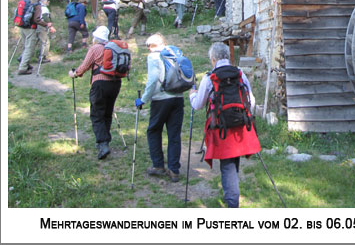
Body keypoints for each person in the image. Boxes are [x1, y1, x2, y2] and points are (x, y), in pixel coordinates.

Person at [189, 42, 261, 208]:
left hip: (221, 128)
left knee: (227, 166)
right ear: (228, 57)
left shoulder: (209, 77)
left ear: (213, 59)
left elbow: (198, 104)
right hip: (241, 125)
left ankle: (232, 204)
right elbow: (252, 101)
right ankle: (232, 194)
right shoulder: (240, 74)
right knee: (232, 161)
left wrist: (192, 95)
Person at [134, 33, 184, 182]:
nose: (148, 49)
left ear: (152, 46)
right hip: (178, 97)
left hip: (161, 99)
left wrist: (143, 99)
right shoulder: (175, 53)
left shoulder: (154, 57)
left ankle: (158, 165)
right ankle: (174, 170)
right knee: (174, 134)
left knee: (154, 130)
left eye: (148, 46)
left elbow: (153, 79)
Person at [69, 26, 122, 160]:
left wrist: (74, 74)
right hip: (115, 83)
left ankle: (103, 144)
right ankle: (105, 139)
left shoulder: (95, 48)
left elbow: (84, 66)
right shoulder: (114, 47)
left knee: (97, 113)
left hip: (100, 83)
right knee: (107, 112)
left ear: (96, 38)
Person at [17, 0, 56, 75]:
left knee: (26, 46)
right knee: (29, 48)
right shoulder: (37, 5)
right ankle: (23, 68)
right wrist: (46, 24)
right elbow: (37, 19)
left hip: (22, 27)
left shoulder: (27, 2)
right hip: (30, 28)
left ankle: (24, 62)